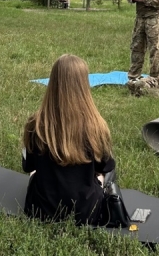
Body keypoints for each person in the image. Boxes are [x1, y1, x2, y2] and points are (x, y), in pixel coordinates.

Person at [22, 54, 115, 226]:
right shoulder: (97, 126)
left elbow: (28, 166)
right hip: (86, 212)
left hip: (40, 209)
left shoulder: (35, 124)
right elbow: (106, 166)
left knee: (35, 174)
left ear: (52, 83)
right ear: (84, 85)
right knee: (106, 176)